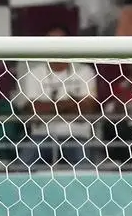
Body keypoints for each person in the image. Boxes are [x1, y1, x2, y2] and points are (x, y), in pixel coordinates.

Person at [14, 26, 103, 168]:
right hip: (42, 136)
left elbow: (88, 109)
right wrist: (73, 102)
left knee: (85, 172)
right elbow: (34, 112)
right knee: (21, 168)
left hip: (77, 135)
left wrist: (50, 107)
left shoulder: (84, 70)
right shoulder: (34, 73)